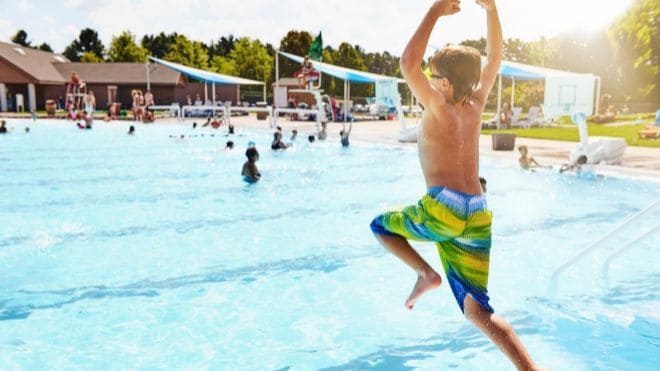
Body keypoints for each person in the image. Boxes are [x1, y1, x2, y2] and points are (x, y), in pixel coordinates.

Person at [369, 2, 542, 370]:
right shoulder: (476, 104)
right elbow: (495, 58)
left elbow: (406, 63)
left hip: (443, 208)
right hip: (477, 212)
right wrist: (491, 10)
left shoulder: (438, 105)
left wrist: (435, 10)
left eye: (433, 77)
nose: (427, 82)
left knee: (381, 226)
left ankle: (425, 274)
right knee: (479, 311)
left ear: (445, 83)